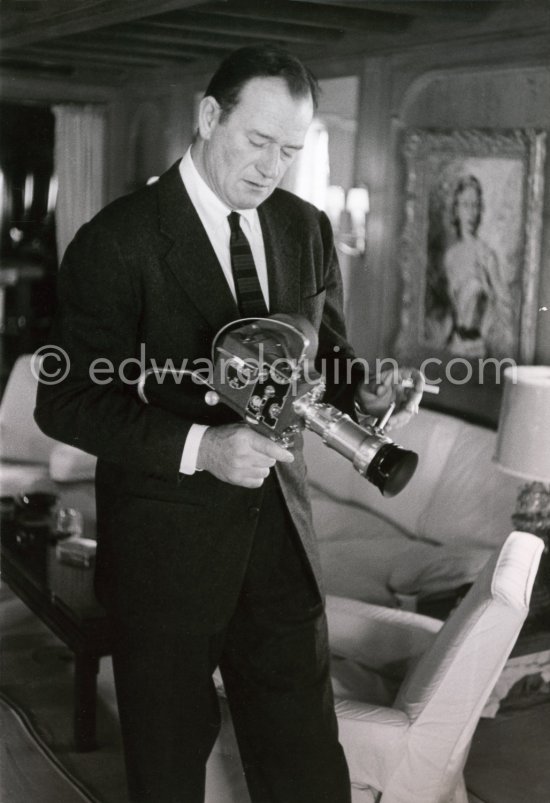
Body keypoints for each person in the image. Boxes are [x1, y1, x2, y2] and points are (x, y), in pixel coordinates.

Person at [35, 46, 423, 803]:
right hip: (165, 556)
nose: (273, 166)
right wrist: (200, 446)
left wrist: (368, 394)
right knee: (169, 769)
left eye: (291, 149)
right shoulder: (119, 238)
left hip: (280, 537)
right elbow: (66, 397)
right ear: (209, 116)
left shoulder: (306, 228)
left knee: (307, 767)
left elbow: (327, 358)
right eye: (258, 141)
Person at [426, 174, 514, 358]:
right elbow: (448, 308)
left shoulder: (486, 255)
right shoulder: (450, 256)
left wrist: (490, 285)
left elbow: (505, 306)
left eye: (475, 205)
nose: (472, 212)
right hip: (453, 345)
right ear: (456, 209)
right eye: (466, 205)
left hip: (478, 349)